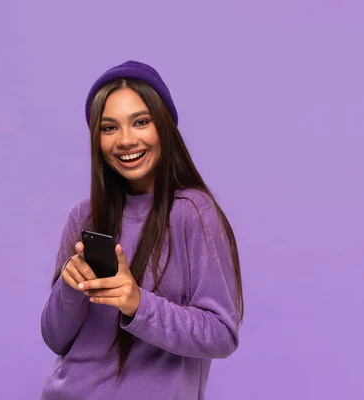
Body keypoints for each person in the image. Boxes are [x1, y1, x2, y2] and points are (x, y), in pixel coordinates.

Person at [40, 60, 244, 400]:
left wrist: (137, 303)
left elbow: (221, 335)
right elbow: (55, 338)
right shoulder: (84, 216)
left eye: (140, 122)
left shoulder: (193, 212)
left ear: (164, 126)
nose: (125, 140)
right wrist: (69, 286)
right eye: (109, 128)